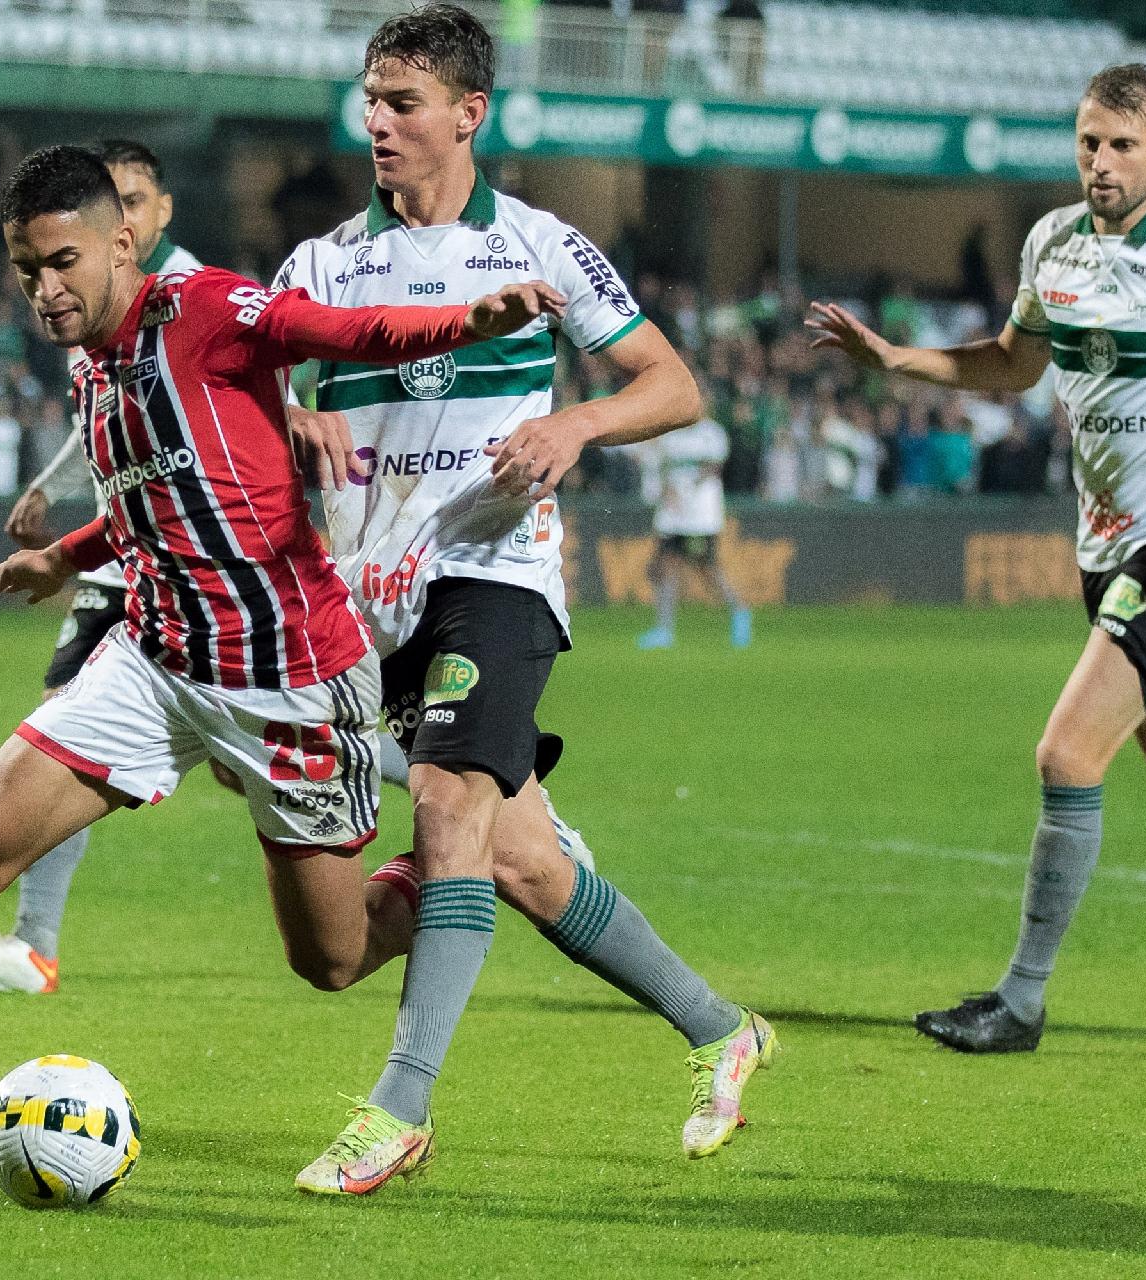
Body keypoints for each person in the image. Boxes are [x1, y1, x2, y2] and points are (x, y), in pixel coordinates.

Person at [0, 144, 557, 1171]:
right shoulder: (93, 357)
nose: (45, 288)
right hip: (154, 659)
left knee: (334, 956)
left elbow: (348, 329)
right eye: (25, 267)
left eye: (63, 261)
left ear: (123, 241)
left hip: (290, 680)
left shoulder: (207, 309)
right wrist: (64, 555)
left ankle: (460, 868)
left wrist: (469, 321)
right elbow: (150, 500)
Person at [272, 3, 775, 1193]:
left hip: (497, 570)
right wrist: (297, 414)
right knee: (524, 861)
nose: (378, 121)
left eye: (402, 101)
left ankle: (398, 1106)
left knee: (448, 801)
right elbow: (251, 399)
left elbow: (674, 384)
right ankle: (723, 1028)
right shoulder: (324, 266)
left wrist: (575, 421)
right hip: (376, 600)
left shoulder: (541, 246)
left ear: (469, 113)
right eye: (371, 97)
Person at [808, 63, 1146, 1054]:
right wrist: (894, 360)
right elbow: (1013, 365)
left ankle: (1021, 999)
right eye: (1090, 141)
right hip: (1107, 542)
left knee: (1066, 752)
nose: (1101, 160)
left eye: (1124, 144)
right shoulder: (1053, 240)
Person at [0, 139, 206, 996]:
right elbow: (101, 419)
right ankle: (35, 943)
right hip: (122, 549)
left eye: (138, 197)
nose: (127, 213)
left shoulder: (186, 296)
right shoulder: (86, 298)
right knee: (70, 728)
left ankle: (485, 795)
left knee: (278, 748)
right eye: (116, 196)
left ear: (157, 212)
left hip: (177, 558)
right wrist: (53, 490)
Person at [637, 417, 751, 649]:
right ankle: (664, 630)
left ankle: (740, 612)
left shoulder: (712, 433)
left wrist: (687, 490)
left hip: (700, 516)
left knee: (707, 569)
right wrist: (668, 490)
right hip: (673, 514)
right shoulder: (670, 435)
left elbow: (713, 468)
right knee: (664, 567)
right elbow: (663, 468)